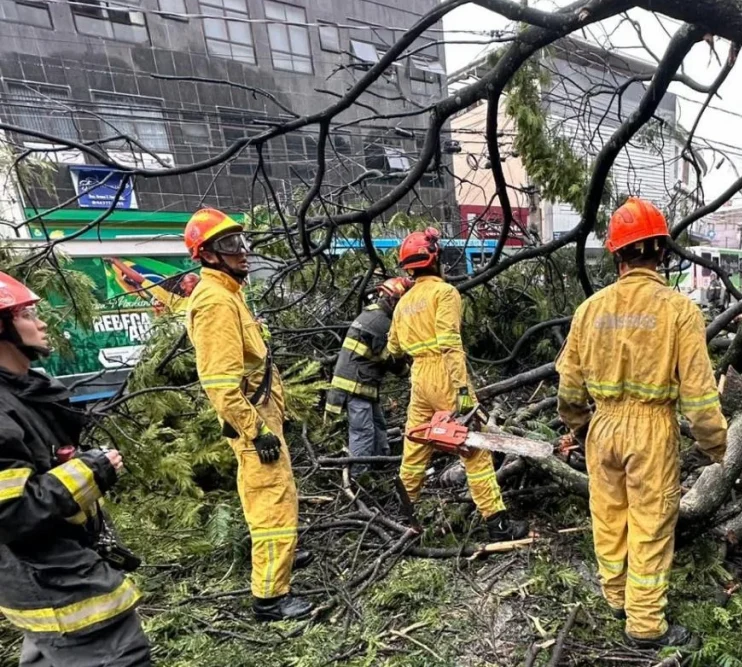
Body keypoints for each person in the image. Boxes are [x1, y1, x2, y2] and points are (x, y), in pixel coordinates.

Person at [556, 198, 728, 647]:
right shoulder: (679, 311)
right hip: (650, 432)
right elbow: (699, 395)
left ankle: (616, 596)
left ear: (617, 254)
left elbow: (569, 386)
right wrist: (715, 445)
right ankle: (646, 625)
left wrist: (578, 425)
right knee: (650, 525)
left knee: (608, 516)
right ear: (662, 252)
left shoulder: (590, 309)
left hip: (602, 427)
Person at [0, 271, 151, 666]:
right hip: (59, 588)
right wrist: (89, 472)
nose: (42, 323)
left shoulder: (22, 392)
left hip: (55, 574)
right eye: (27, 315)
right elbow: (10, 512)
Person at [182, 208, 313, 622]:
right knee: (270, 502)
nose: (242, 251)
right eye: (228, 244)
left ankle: (282, 556)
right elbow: (220, 384)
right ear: (207, 255)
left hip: (261, 414)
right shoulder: (215, 302)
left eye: (241, 241)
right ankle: (270, 598)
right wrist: (256, 431)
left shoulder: (229, 294)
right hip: (252, 421)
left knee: (279, 493)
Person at [386, 227, 528, 541]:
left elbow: (393, 348)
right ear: (434, 259)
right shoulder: (444, 293)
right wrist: (462, 392)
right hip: (445, 375)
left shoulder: (403, 303)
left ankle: (402, 519)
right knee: (474, 448)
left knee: (415, 448)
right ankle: (498, 525)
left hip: (419, 378)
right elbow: (450, 345)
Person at [326, 277, 413, 479]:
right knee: (363, 432)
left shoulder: (373, 314)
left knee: (378, 426)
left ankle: (381, 468)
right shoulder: (381, 322)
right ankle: (360, 478)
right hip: (356, 385)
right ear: (395, 301)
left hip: (363, 385)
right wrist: (409, 371)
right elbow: (392, 358)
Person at [108, 258, 198, 315]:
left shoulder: (198, 298)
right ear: (182, 285)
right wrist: (115, 261)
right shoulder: (170, 297)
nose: (197, 286)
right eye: (193, 283)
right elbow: (139, 279)